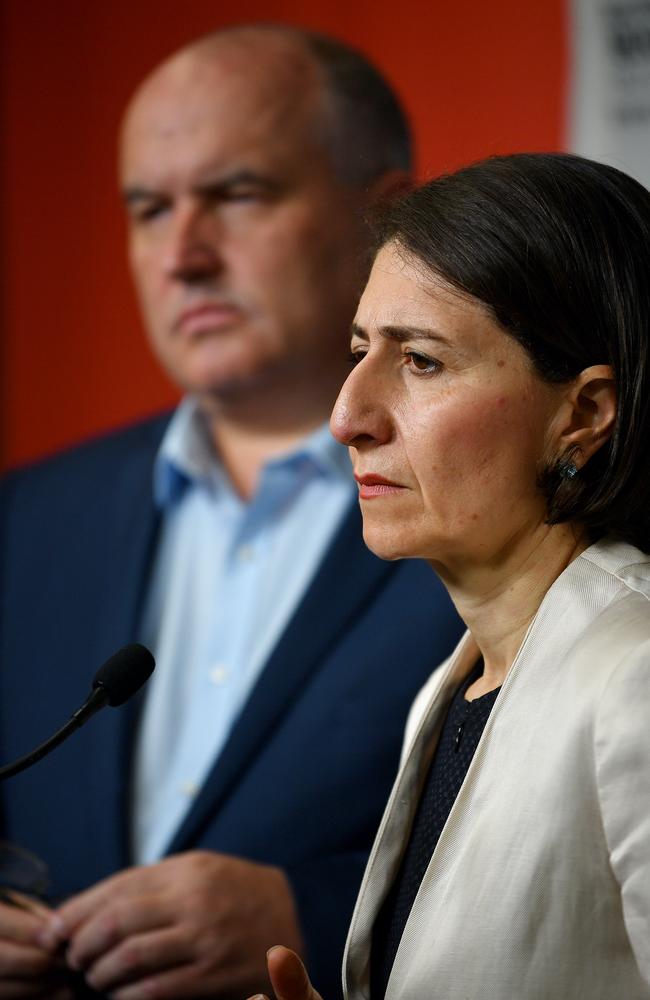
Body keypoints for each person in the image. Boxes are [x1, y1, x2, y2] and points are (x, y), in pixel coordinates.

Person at [0, 23, 463, 1000]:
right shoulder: (27, 518)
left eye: (236, 194)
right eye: (148, 209)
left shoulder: (513, 505)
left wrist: (314, 914)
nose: (183, 255)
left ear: (384, 215)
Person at [254, 152, 650, 1000]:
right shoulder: (461, 680)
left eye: (421, 361)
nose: (347, 416)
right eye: (360, 350)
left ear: (581, 415)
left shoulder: (637, 675)